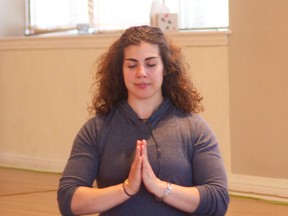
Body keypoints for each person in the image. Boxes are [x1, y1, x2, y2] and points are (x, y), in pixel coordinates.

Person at [57, 25, 229, 216]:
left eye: (151, 64)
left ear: (166, 68)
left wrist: (159, 187)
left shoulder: (194, 128)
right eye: (131, 65)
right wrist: (126, 189)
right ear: (120, 70)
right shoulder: (96, 129)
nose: (141, 72)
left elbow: (218, 200)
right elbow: (68, 200)